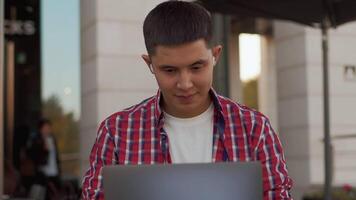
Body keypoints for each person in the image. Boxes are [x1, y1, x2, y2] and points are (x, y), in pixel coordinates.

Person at [81, 1, 293, 199]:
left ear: (215, 56)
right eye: (170, 70)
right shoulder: (116, 132)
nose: (185, 83)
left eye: (196, 67)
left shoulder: (255, 129)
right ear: (150, 64)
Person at [28, 119, 61, 199]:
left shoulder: (52, 139)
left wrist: (59, 170)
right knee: (41, 195)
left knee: (53, 195)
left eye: (49, 128)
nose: (47, 130)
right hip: (42, 173)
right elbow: (33, 156)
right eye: (45, 127)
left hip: (54, 173)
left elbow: (56, 157)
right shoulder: (36, 140)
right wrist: (43, 149)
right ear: (40, 129)